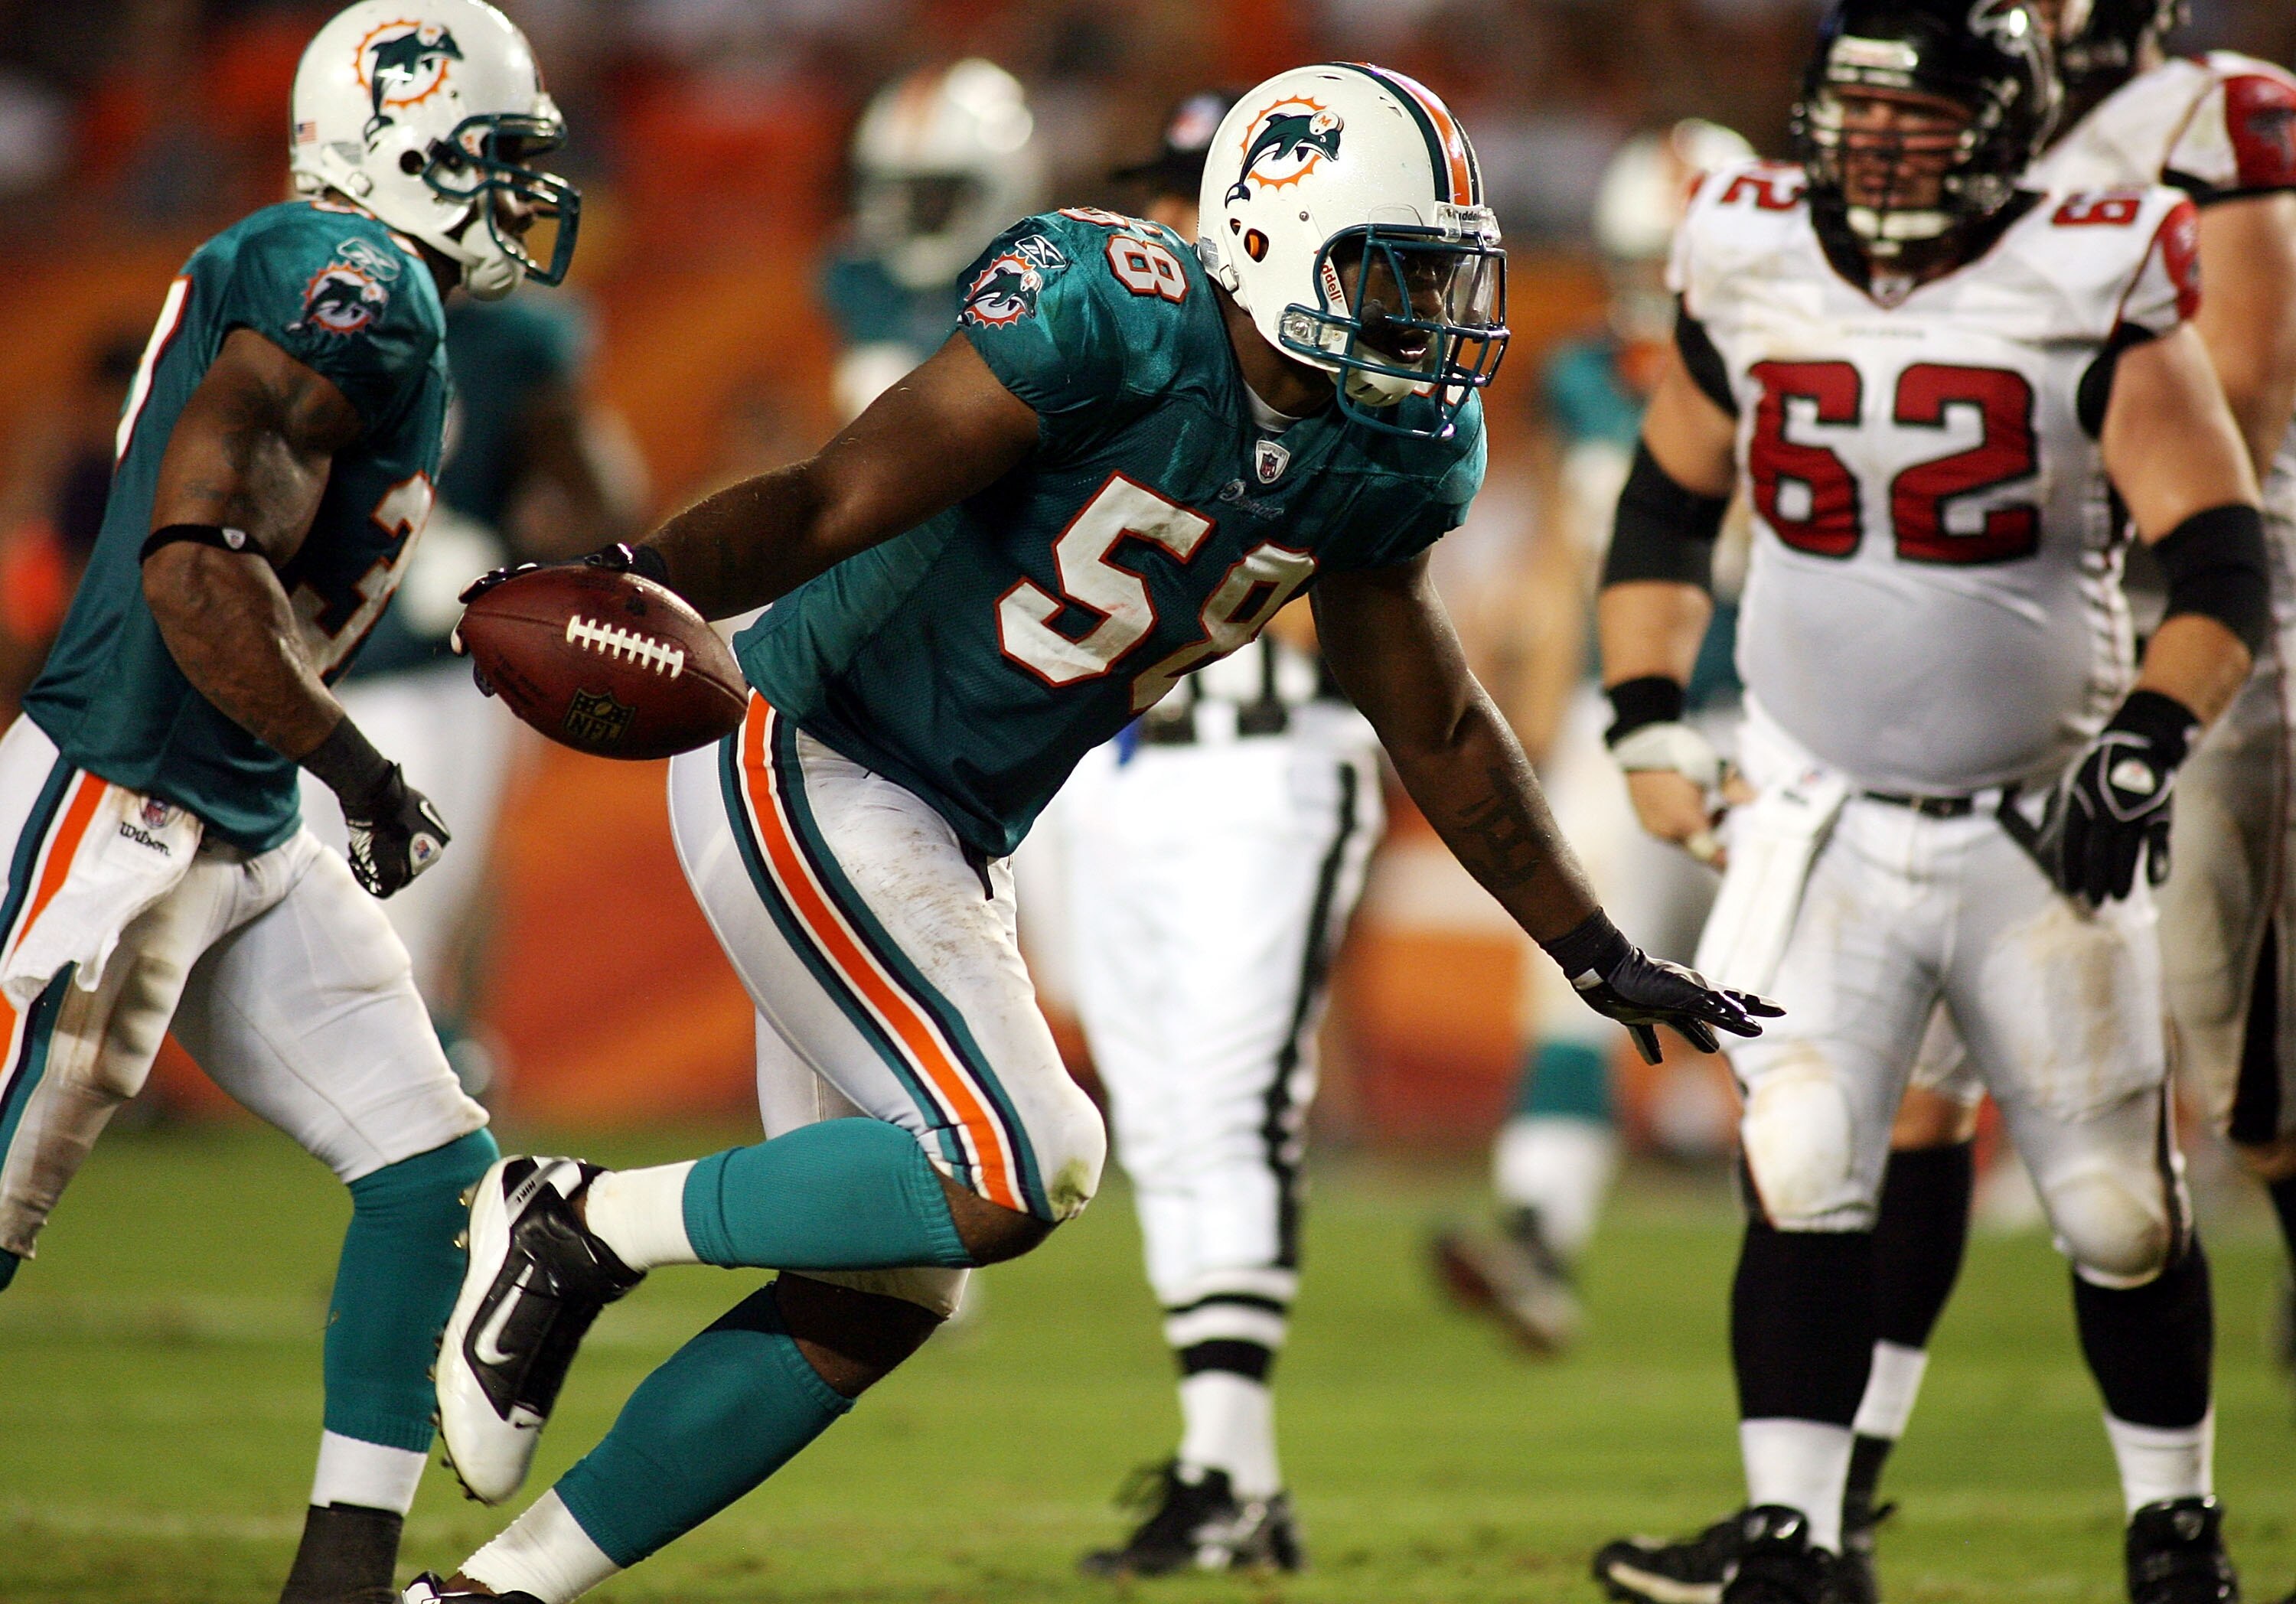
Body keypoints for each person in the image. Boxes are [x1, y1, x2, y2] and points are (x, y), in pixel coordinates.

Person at [404, 63, 1773, 1604]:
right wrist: (636, 573)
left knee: (886, 1288)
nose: (1427, 319)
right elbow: (831, 497)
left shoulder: (1385, 453)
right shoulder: (1108, 305)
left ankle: (498, 1589)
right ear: (1267, 240)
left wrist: (1594, 945)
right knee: (1029, 1159)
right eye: (1388, 274)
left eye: (1442, 278)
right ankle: (573, 1215)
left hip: (949, 821)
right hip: (816, 745)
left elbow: (1438, 718)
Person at [1601, 4, 2296, 1596]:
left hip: (2033, 813)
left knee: (2119, 1202)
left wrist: (2146, 740)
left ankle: (2173, 1524)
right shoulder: (1750, 245)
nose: (1875, 146)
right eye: (1852, 111)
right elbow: (1660, 505)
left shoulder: (2090, 263)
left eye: (1915, 116)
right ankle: (1792, 1533)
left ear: (2001, 127)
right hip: (1818, 803)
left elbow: (2218, 551)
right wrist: (1643, 711)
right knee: (1800, 1157)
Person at [0, 3, 581, 1599]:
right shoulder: (356, 279)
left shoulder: (384, 290)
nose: (523, 190)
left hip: (236, 806)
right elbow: (196, 567)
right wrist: (361, 765)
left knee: (428, 1165)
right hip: (121, 802)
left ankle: (343, 1572)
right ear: (397, 146)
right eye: (493, 157)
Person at [1049, 88, 1371, 1577]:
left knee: (1234, 1111)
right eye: (1162, 185)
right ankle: (1227, 1474)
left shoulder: (1339, 361)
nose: (1174, 216)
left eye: (1196, 185)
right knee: (1160, 1124)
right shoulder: (1125, 348)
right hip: (1117, 771)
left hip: (1268, 765)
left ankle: (1227, 1472)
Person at [1433, 118, 1755, 1355]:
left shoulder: (1794, 361)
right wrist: (1546, 705)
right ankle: (1537, 1232)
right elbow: (1577, 562)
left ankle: (1859, 1238)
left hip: (1760, 716)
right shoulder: (1582, 375)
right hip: (1619, 717)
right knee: (1576, 979)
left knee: (1803, 992)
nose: (1650, 290)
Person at [298, 289, 640, 1094]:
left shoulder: (514, 341)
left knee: (408, 900)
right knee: (319, 902)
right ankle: (436, 1064)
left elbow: (606, 507)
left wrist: (506, 557)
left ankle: (435, 1075)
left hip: (442, 665)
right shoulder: (308, 312)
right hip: (310, 661)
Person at [820, 58, 1044, 423]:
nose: (903, 213)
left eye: (930, 195)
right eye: (893, 190)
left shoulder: (1049, 281)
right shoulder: (861, 277)